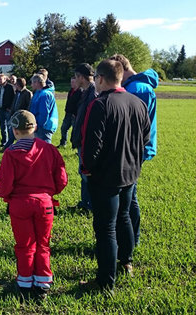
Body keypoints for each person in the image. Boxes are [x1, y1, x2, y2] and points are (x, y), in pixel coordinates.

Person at [81, 59, 150, 292]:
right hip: (130, 173)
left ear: (100, 78)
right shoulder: (138, 103)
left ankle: (105, 281)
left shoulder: (100, 104)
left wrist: (88, 170)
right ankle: (126, 263)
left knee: (106, 228)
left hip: (106, 177)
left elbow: (91, 146)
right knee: (124, 218)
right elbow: (145, 139)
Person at [0, 110, 67, 299]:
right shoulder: (49, 149)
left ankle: (25, 283)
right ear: (35, 127)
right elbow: (61, 178)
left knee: (25, 245)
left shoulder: (10, 153)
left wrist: (7, 197)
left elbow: (5, 184)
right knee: (43, 244)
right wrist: (49, 193)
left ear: (14, 131)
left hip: (19, 204)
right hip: (44, 204)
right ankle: (43, 283)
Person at [109, 54, 158, 247]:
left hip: (135, 148)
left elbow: (136, 124)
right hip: (134, 147)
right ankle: (128, 238)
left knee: (130, 197)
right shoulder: (136, 86)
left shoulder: (137, 89)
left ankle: (131, 239)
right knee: (129, 195)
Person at [71, 63, 97, 212]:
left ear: (81, 77)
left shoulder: (93, 92)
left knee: (88, 175)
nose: (74, 80)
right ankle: (84, 202)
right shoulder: (85, 91)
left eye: (76, 77)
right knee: (83, 173)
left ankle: (91, 206)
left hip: (87, 141)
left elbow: (92, 121)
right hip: (82, 140)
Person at [3, 78, 33, 149]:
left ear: (19, 84)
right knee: (12, 132)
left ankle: (9, 148)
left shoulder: (27, 93)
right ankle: (8, 147)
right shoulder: (17, 93)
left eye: (16, 84)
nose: (15, 85)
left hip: (22, 117)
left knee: (19, 134)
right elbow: (14, 104)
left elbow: (29, 106)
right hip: (14, 115)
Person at [29, 74, 58, 143]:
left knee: (45, 148)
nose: (31, 85)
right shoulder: (38, 93)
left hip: (44, 126)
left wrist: (38, 126)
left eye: (32, 83)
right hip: (38, 125)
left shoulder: (45, 95)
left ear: (37, 83)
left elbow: (44, 113)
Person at [57, 77, 82, 148]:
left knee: (74, 131)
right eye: (71, 82)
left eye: (73, 82)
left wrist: (76, 114)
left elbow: (79, 104)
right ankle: (63, 143)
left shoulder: (80, 91)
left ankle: (74, 146)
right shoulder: (71, 91)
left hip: (75, 114)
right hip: (68, 113)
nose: (72, 84)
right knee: (63, 128)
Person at [0, 74, 15, 147]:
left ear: (5, 79)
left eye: (0, 79)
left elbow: (14, 98)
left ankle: (10, 143)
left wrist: (10, 108)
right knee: (2, 126)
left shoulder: (10, 87)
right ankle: (4, 141)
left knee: (9, 126)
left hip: (7, 110)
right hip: (0, 109)